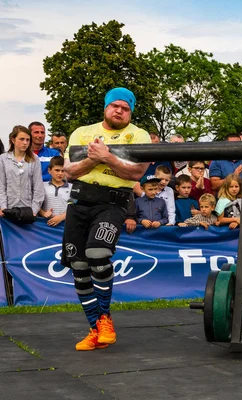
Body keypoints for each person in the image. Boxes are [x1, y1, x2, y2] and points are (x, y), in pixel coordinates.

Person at [62, 87, 151, 351]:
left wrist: (106, 157)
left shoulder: (138, 135)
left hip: (113, 202)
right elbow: (69, 172)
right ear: (106, 107)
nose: (120, 111)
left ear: (130, 111)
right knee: (78, 265)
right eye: (115, 106)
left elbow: (135, 173)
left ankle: (104, 319)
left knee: (98, 254)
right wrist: (96, 160)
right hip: (79, 200)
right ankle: (96, 326)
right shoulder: (82, 133)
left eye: (125, 108)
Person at [0, 126, 45, 218]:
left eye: (28, 140)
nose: (25, 143)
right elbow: (1, 186)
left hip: (28, 209)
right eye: (22, 139)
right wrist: (3, 207)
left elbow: (38, 187)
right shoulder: (3, 158)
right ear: (13, 140)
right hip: (8, 209)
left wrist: (34, 210)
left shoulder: (34, 159)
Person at [39, 156, 71, 226]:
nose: (60, 173)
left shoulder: (71, 187)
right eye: (57, 170)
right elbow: (36, 204)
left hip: (65, 225)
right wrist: (43, 213)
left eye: (63, 171)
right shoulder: (42, 186)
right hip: (45, 225)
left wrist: (61, 217)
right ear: (49, 170)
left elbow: (75, 206)